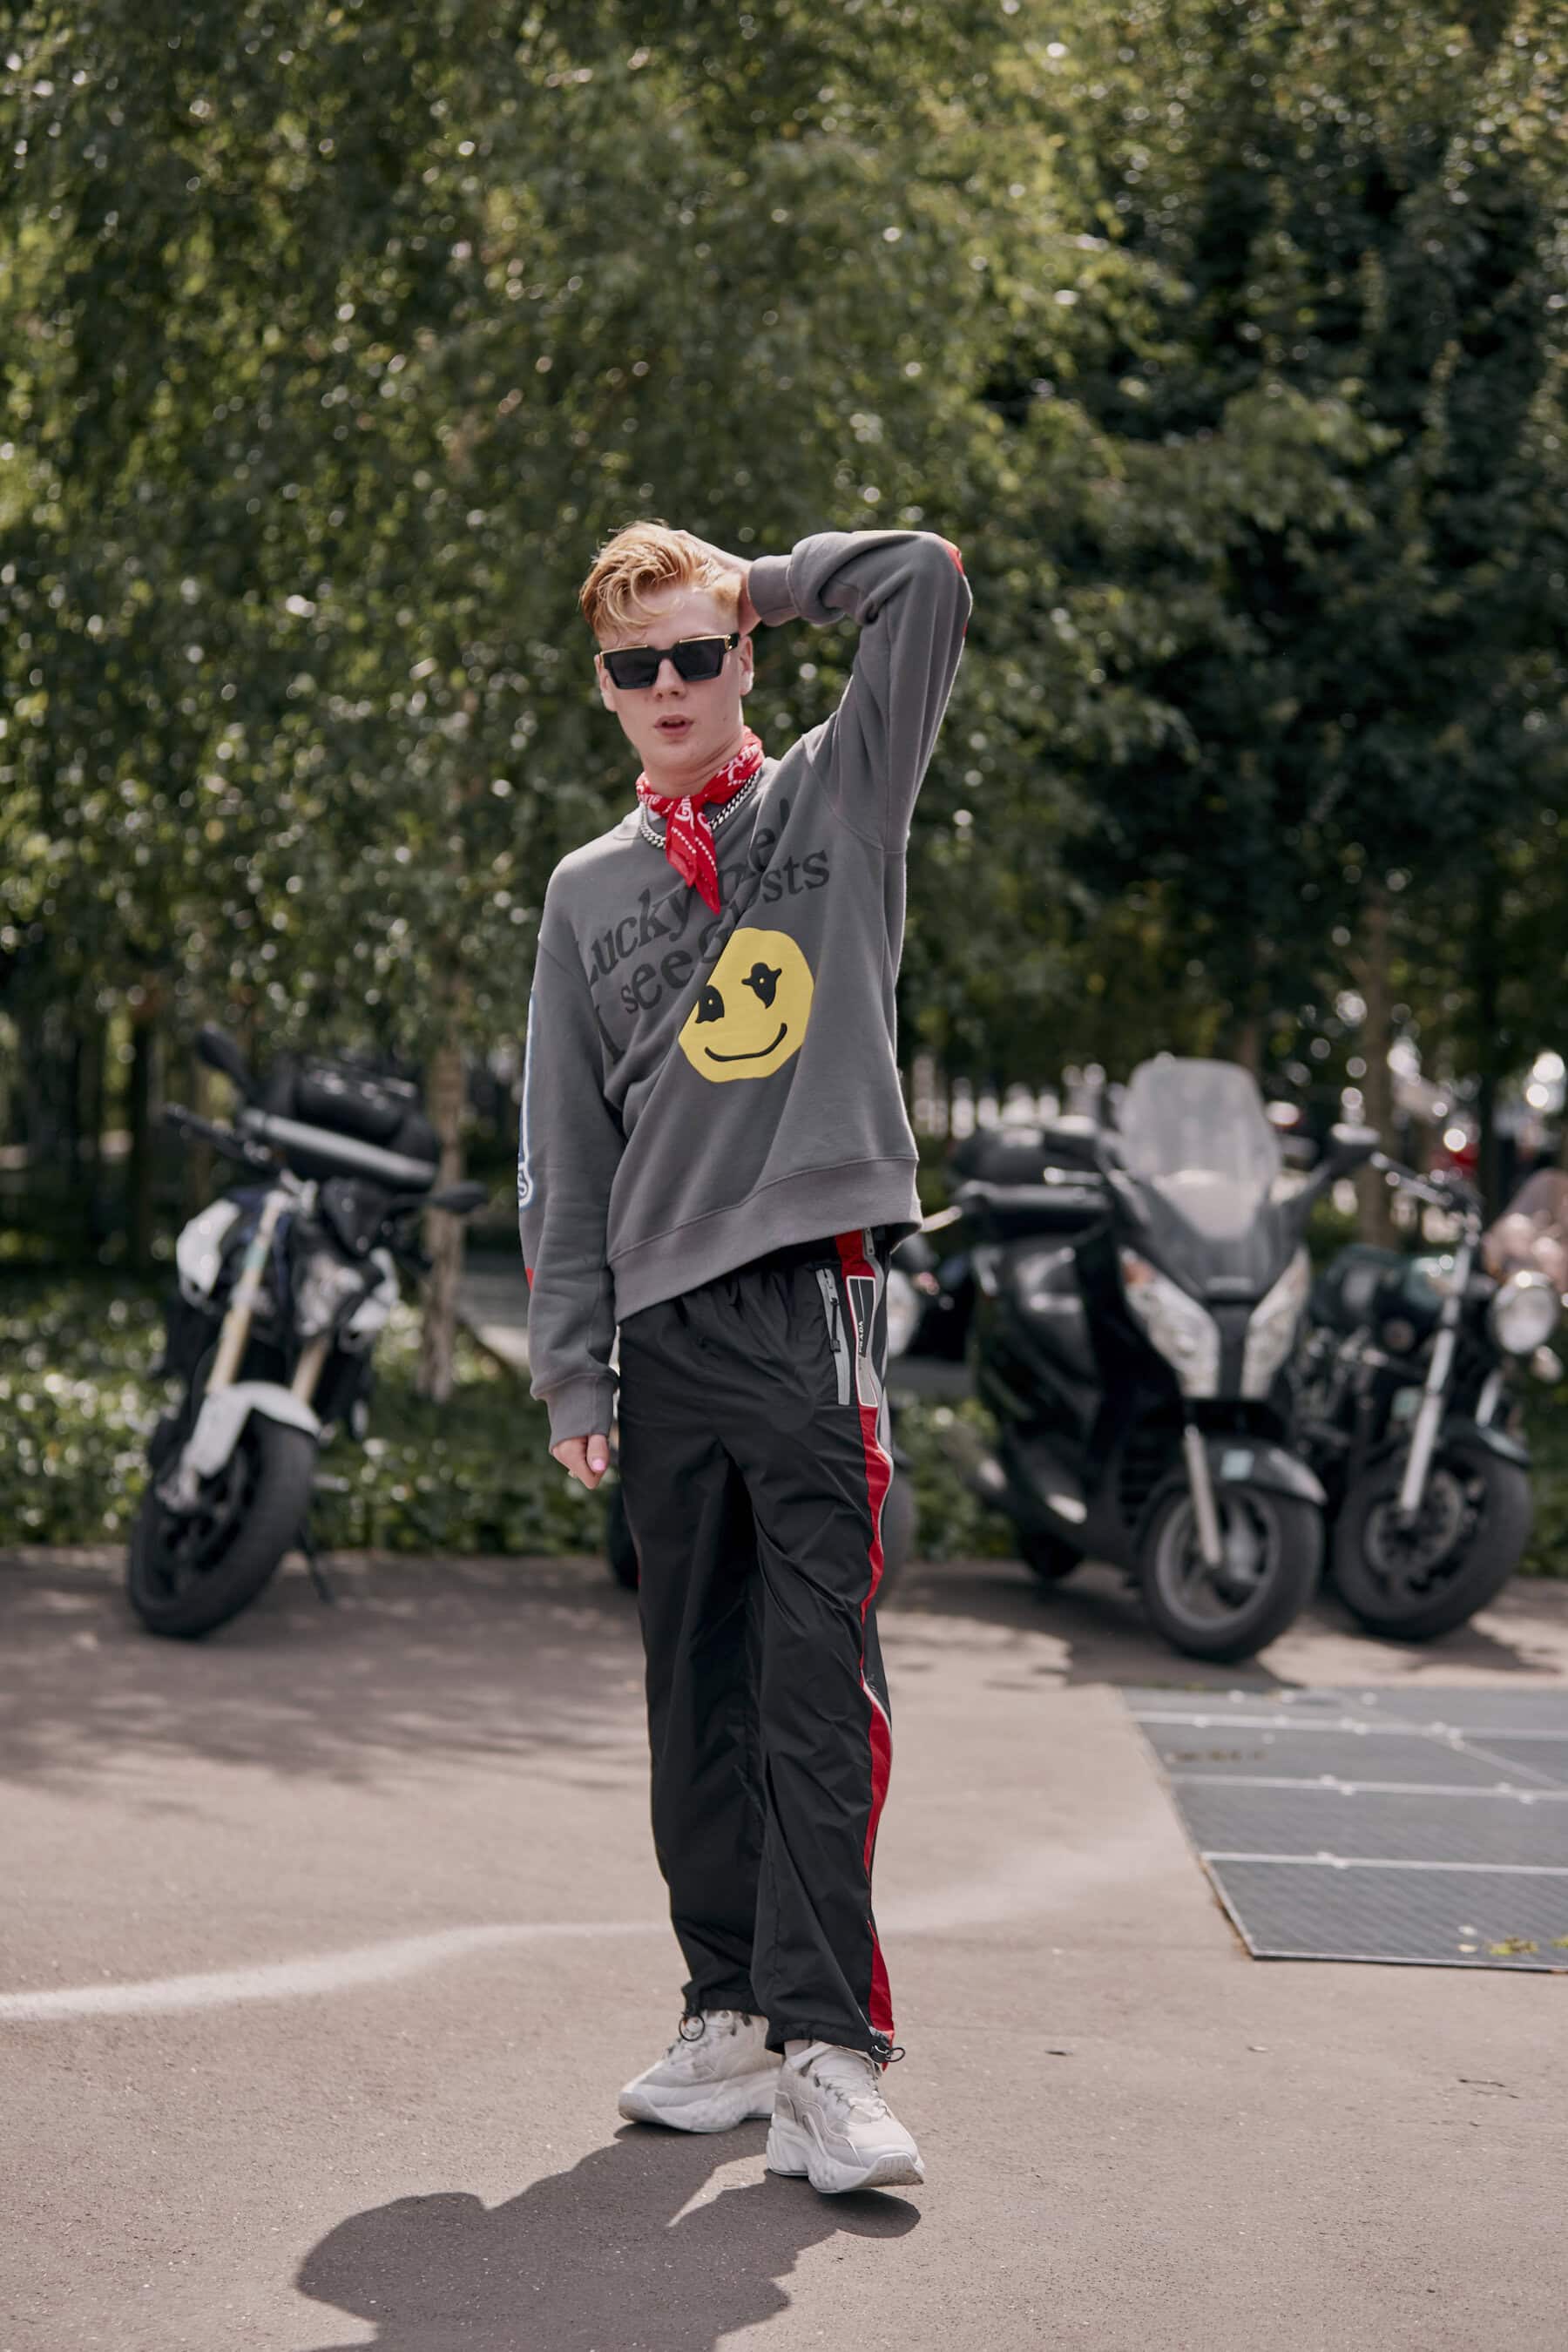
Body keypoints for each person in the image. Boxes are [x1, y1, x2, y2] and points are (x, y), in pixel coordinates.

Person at [517, 519, 970, 2195]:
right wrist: (574, 1366)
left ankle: (832, 2054)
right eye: (635, 664)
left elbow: (925, 578)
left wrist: (751, 576)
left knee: (814, 1689)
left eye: (697, 652)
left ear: (746, 657)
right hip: (660, 1330)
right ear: (604, 689)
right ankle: (728, 2013)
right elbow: (565, 1146)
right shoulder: (586, 891)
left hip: (806, 1299)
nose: (669, 685)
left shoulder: (835, 796)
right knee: (692, 1693)